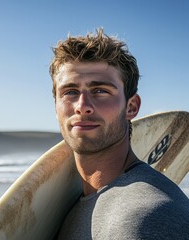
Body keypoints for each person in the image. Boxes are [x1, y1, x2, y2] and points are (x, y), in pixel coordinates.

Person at [49, 28, 189, 239]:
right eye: (70, 92)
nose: (82, 106)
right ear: (56, 107)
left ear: (131, 107)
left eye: (100, 91)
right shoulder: (80, 203)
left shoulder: (145, 219)